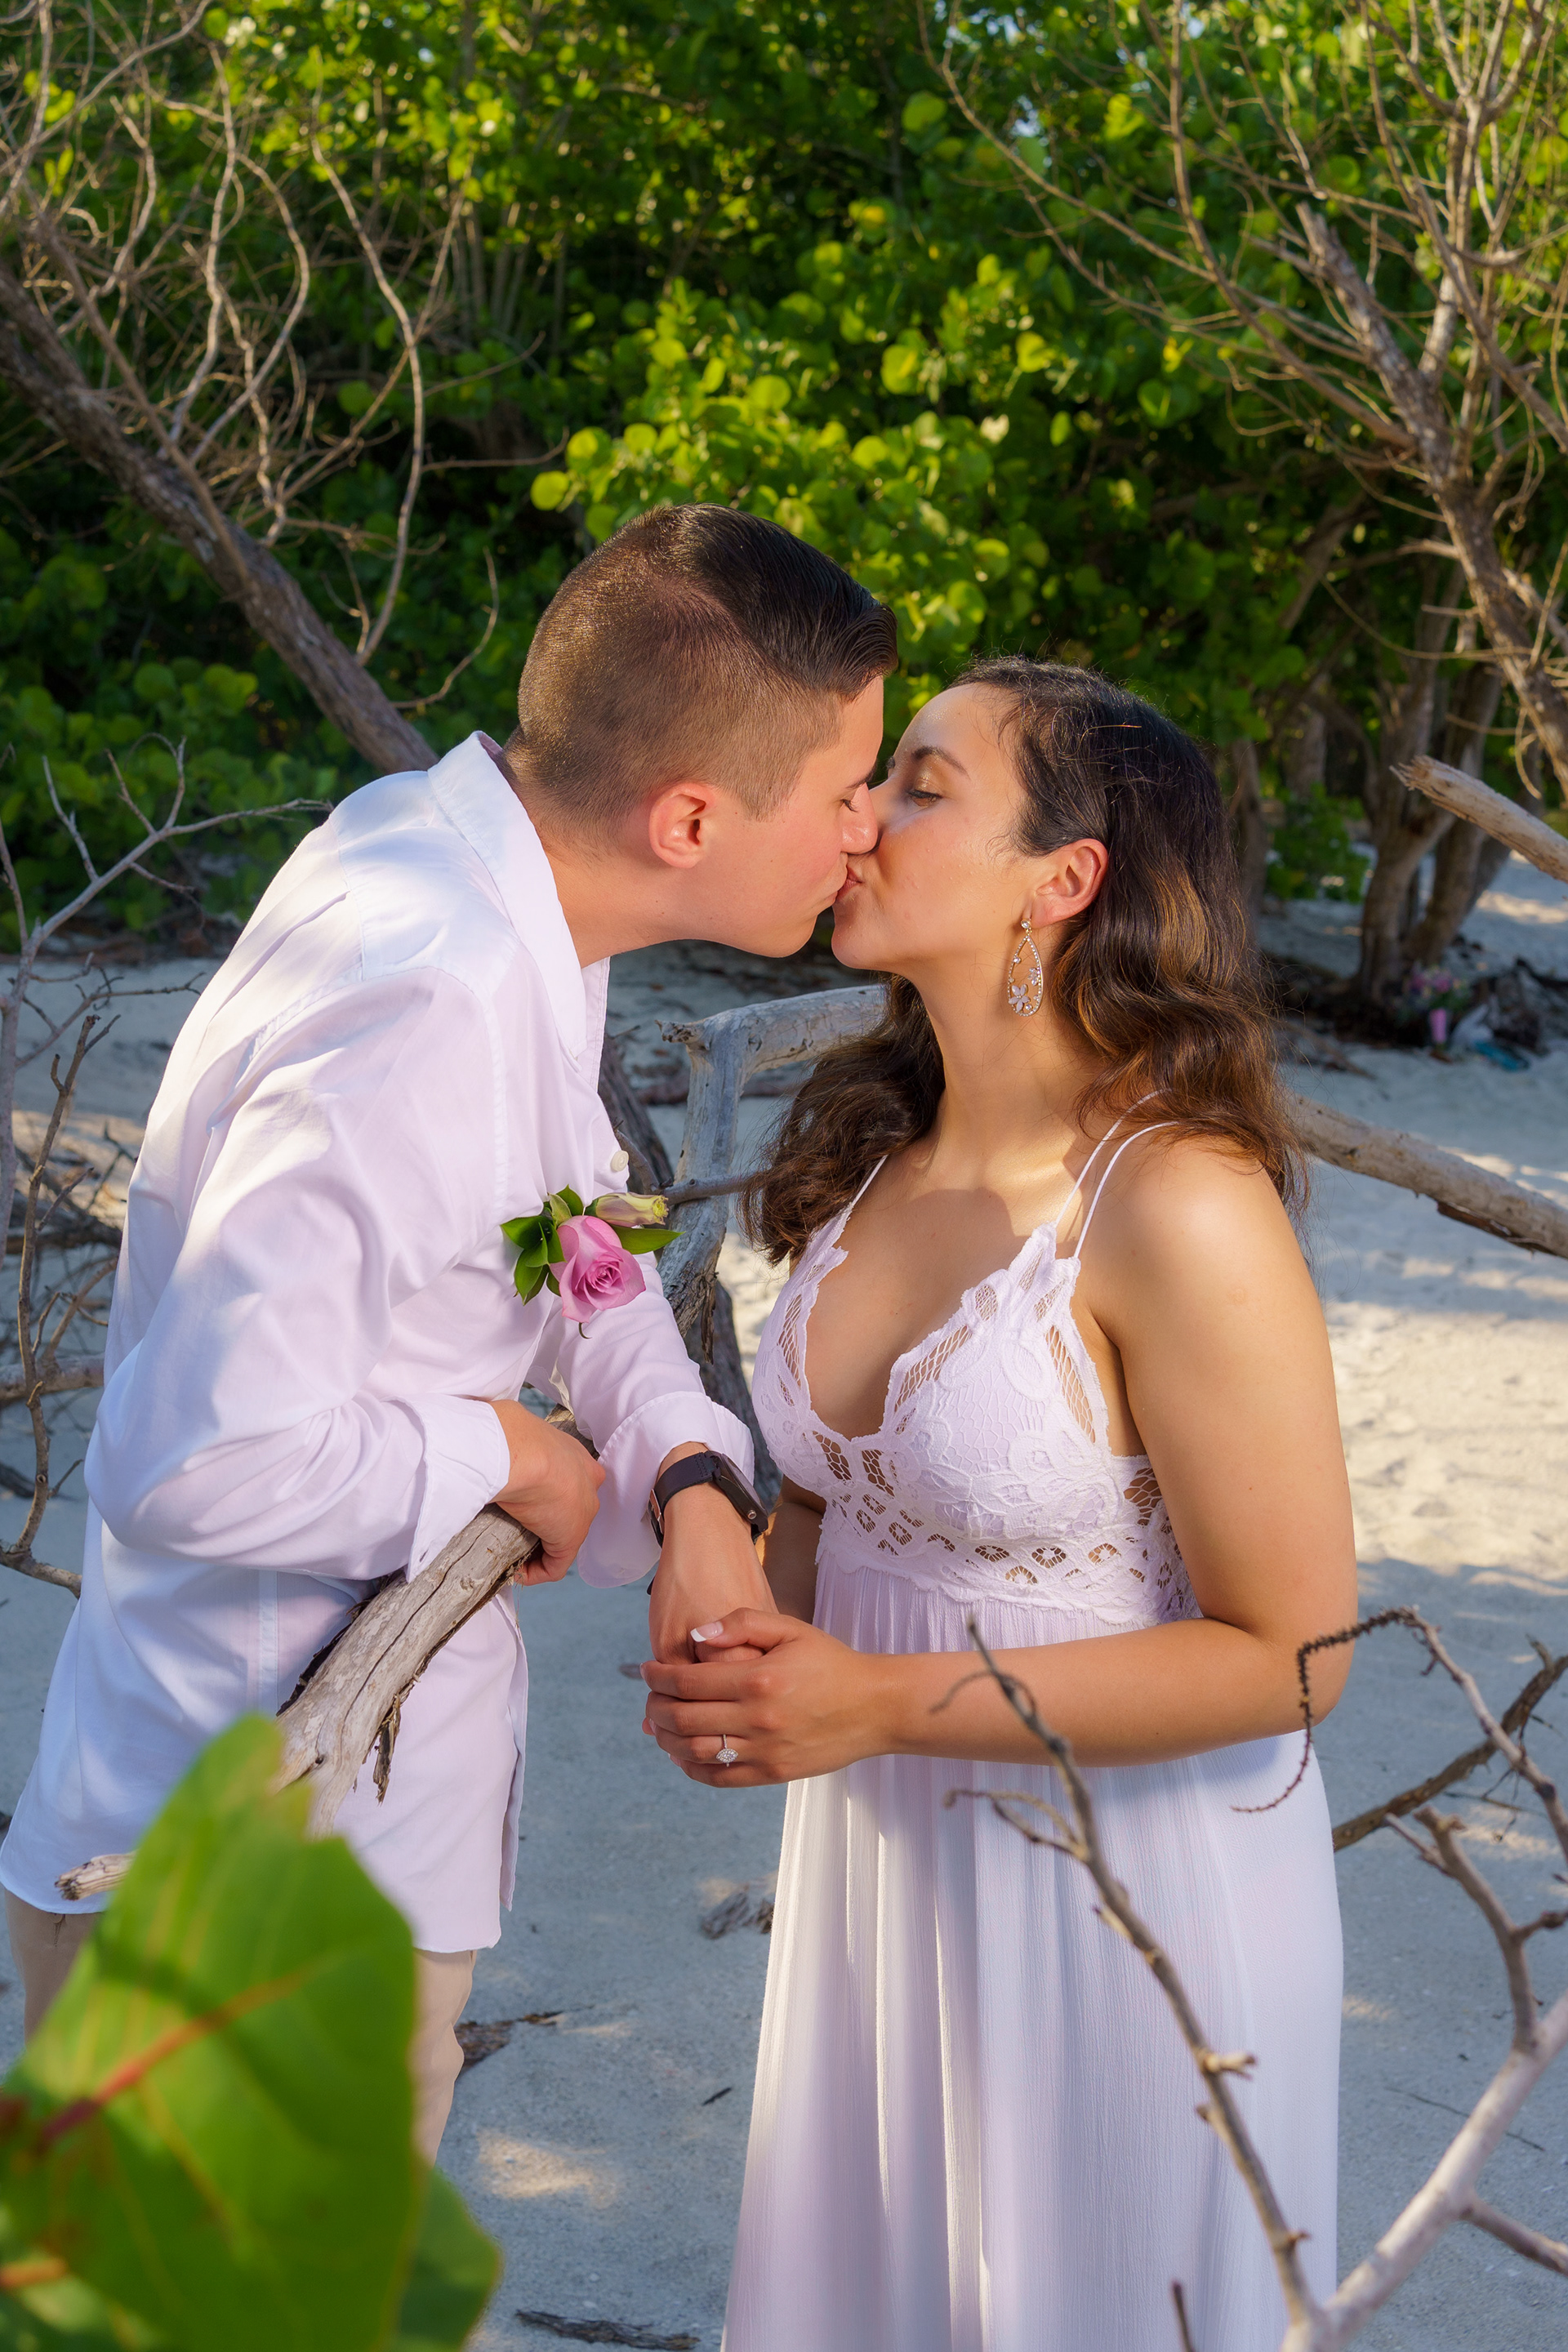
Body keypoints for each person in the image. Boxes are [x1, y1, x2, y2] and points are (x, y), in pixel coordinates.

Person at [0, 504, 896, 2163]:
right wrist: (508, 1452)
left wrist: (688, 1472)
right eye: (850, 786)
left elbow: (573, 1229)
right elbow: (188, 1464)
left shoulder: (505, 885)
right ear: (693, 815)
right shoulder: (423, 986)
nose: (870, 830)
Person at [643, 659, 1357, 2350]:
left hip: (1124, 1907)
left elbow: (1298, 1654)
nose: (860, 817)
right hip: (886, 1896)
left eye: (921, 781)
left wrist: (875, 1701)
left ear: (1067, 880)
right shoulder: (874, 1160)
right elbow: (824, 1525)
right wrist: (737, 1643)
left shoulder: (1175, 1200)